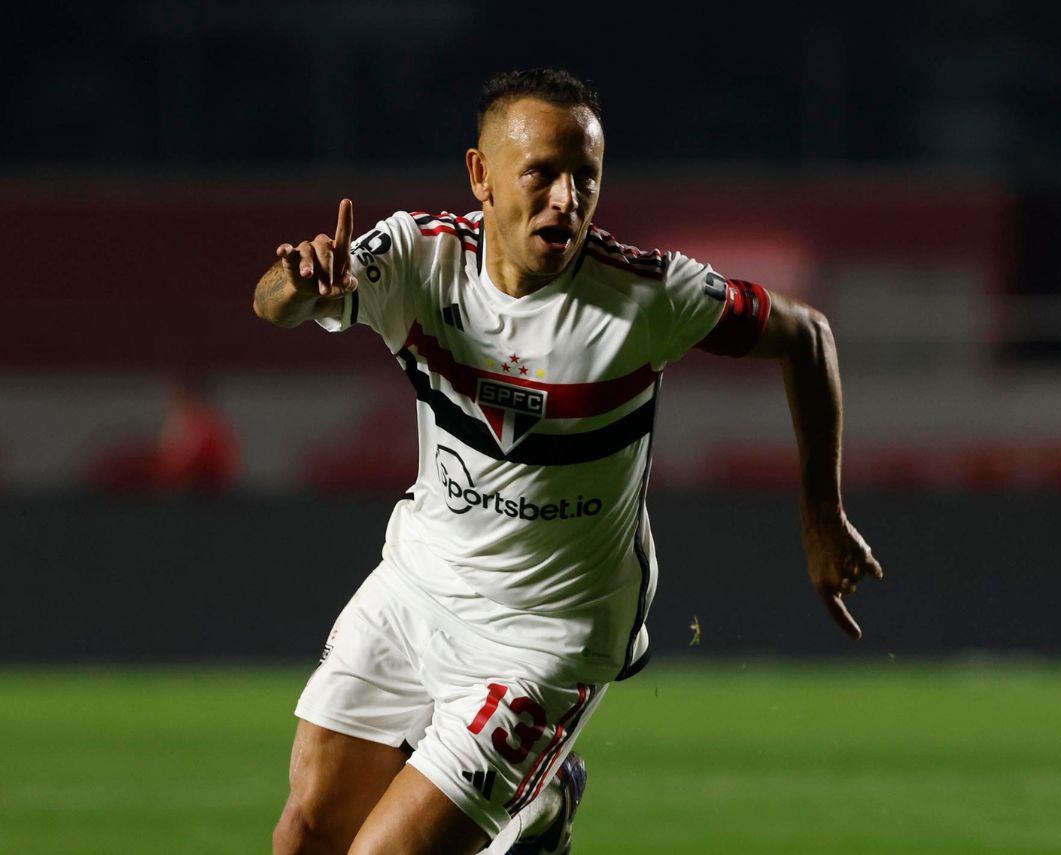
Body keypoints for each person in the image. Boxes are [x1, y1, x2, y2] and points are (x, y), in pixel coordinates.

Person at [252, 68, 883, 855]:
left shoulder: (644, 297)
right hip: (418, 586)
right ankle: (543, 801)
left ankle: (538, 798)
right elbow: (275, 300)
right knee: (304, 832)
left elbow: (808, 335)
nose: (566, 199)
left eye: (585, 175)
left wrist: (822, 518)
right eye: (542, 173)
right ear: (481, 177)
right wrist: (301, 282)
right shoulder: (420, 258)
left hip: (546, 638)